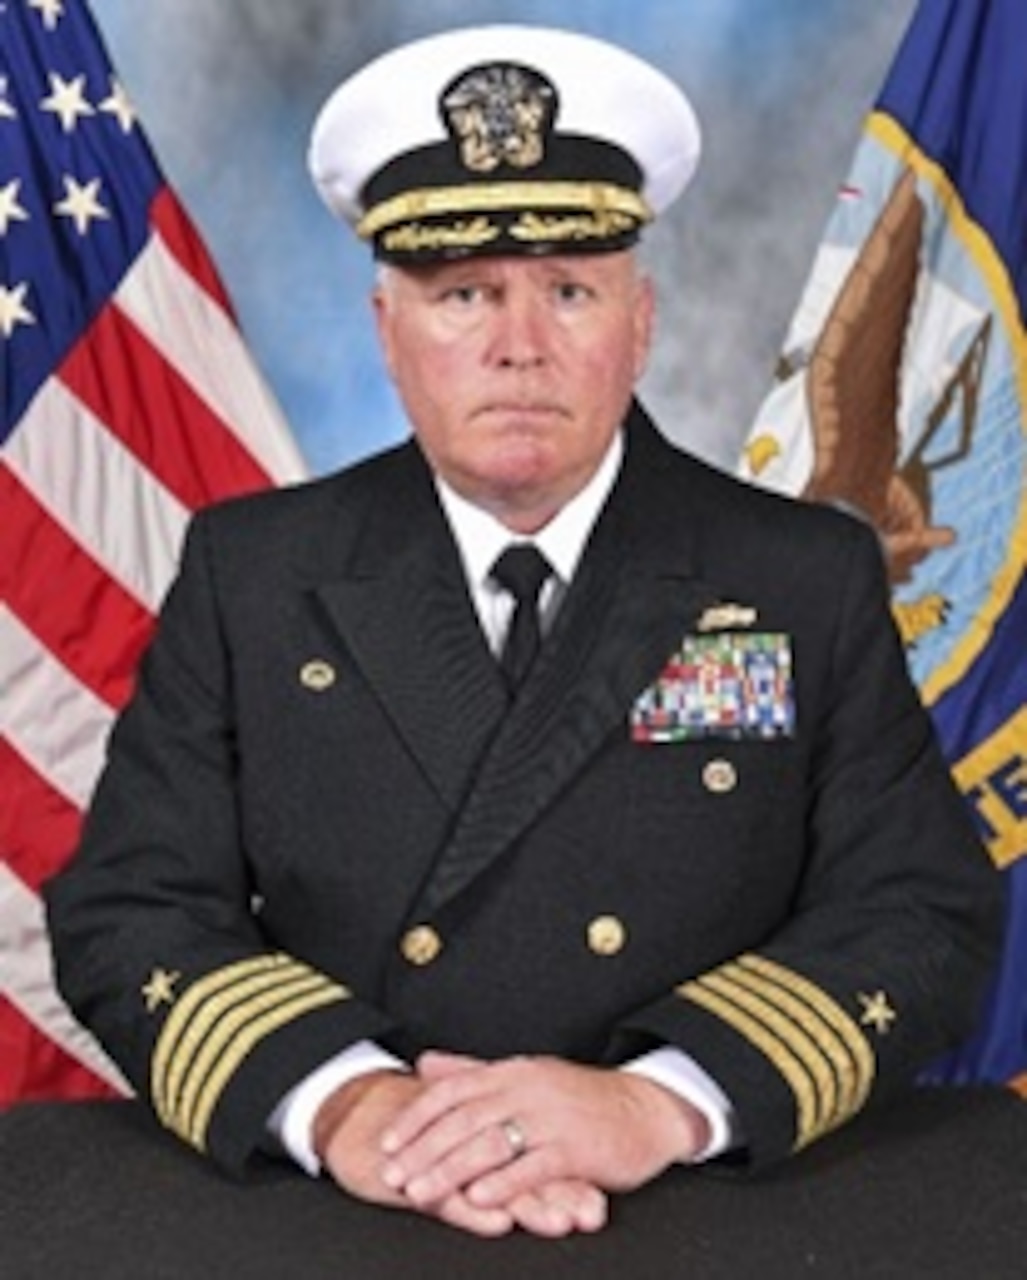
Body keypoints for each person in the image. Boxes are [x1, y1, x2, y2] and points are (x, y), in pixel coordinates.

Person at [46, 25, 1003, 1240]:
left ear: (639, 323)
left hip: (702, 1209)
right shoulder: (255, 573)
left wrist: (658, 1100)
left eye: (569, 290)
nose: (519, 345)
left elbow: (919, 906)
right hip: (352, 1209)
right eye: (463, 294)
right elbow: (130, 906)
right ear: (386, 331)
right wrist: (350, 1104)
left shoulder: (799, 574)